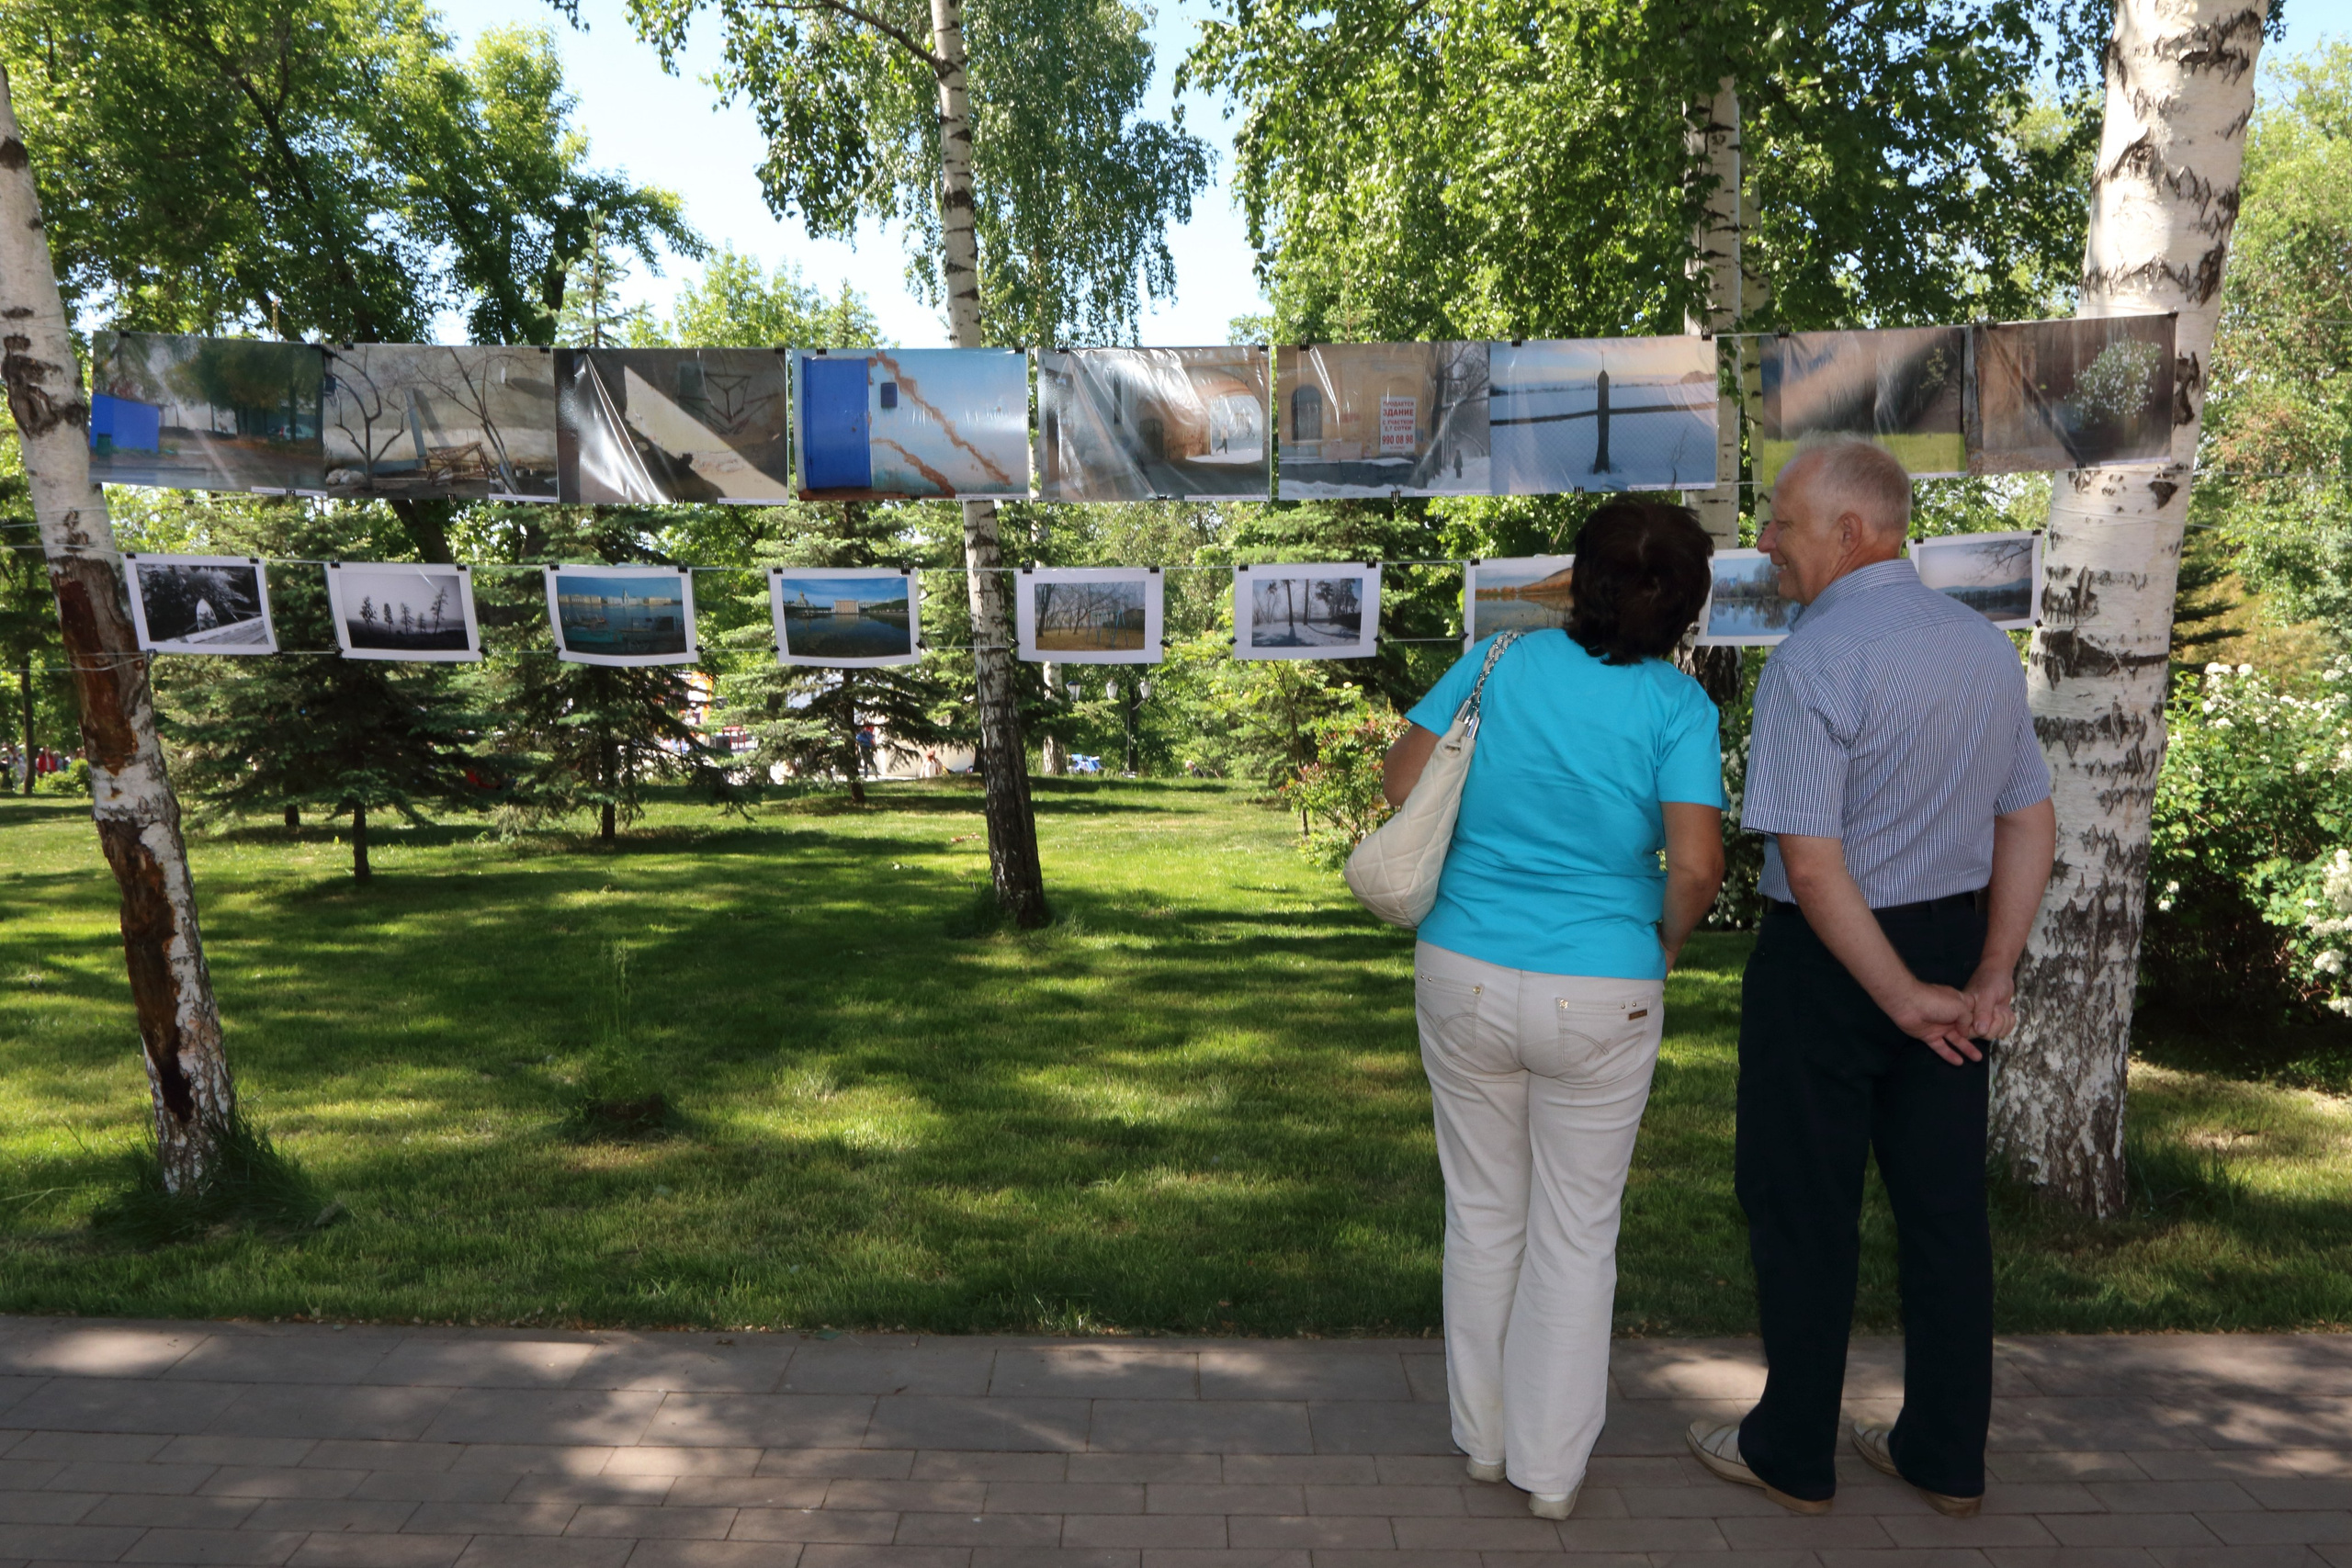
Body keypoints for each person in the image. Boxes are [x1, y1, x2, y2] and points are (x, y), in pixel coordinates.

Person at [1686, 436, 2056, 1518]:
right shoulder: (1981, 647)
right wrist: (1990, 971)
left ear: (1851, 532)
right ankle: (1944, 1456)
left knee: (1802, 1205)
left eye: (1781, 521)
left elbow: (1811, 863)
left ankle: (1792, 1452)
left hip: (1831, 966)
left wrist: (1899, 998)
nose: (1765, 541)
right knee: (1945, 1213)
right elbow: (2028, 818)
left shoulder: (1814, 658)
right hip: (1949, 955)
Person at [1383, 500, 1725, 1519]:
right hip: (1606, 984)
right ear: (1686, 606)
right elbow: (1696, 869)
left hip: (1463, 968)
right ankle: (1551, 1474)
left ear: (1580, 578)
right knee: (1577, 1231)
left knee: (1483, 1213)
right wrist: (1660, 946)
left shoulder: (1498, 662)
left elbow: (1402, 782)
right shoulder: (1680, 706)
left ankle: (1484, 1444)